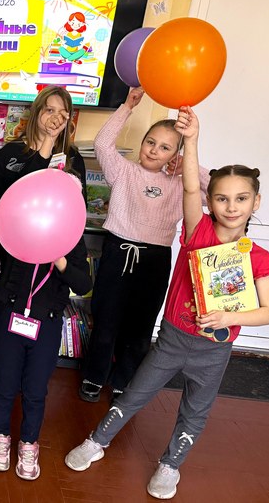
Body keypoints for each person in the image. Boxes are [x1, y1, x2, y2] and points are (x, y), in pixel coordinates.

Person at [65, 108, 269, 500]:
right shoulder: (197, 233)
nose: (231, 207)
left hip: (215, 349)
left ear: (256, 202)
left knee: (195, 411)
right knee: (134, 394)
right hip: (174, 338)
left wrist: (228, 315)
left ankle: (170, 465)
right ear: (210, 202)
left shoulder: (259, 257)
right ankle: (97, 441)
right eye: (222, 199)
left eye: (241, 199)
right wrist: (191, 140)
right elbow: (193, 190)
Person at [78, 88, 211, 403]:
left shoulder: (182, 184)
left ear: (174, 155)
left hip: (155, 259)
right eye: (150, 142)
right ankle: (94, 376)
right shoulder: (123, 171)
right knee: (106, 319)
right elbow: (102, 144)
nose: (154, 150)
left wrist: (189, 165)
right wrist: (127, 106)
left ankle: (123, 380)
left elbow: (215, 191)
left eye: (165, 148)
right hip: (118, 252)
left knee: (140, 326)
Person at [0, 227, 91, 480]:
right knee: (5, 382)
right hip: (11, 314)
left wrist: (60, 260)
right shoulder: (18, 226)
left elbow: (83, 284)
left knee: (35, 389)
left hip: (47, 323)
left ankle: (29, 443)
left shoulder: (70, 237)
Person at [0, 85, 86, 211]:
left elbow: (79, 206)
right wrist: (49, 139)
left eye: (61, 113)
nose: (55, 118)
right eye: (50, 110)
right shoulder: (9, 152)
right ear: (36, 112)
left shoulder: (73, 156)